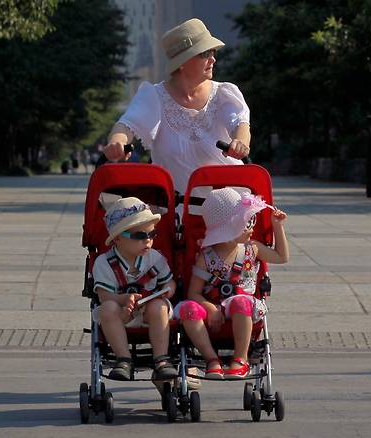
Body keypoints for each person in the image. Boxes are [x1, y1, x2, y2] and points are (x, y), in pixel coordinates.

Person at [103, 18, 251, 195]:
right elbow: (125, 125)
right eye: (205, 53)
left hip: (232, 202)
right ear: (182, 62)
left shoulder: (224, 93)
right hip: (178, 209)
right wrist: (116, 142)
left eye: (213, 52)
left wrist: (240, 143)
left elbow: (240, 125)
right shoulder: (153, 96)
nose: (213, 59)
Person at [174, 187, 289, 379]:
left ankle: (240, 359)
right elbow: (194, 293)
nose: (252, 227)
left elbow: (281, 256)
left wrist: (277, 226)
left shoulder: (252, 248)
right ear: (229, 228)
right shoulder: (206, 256)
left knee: (240, 301)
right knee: (189, 309)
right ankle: (211, 359)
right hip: (213, 307)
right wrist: (210, 308)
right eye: (247, 223)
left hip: (242, 306)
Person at [92, 196, 178, 381]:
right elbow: (104, 295)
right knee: (107, 309)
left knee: (160, 306)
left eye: (152, 234)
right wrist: (123, 300)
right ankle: (123, 359)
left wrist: (167, 291)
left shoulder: (155, 258)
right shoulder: (104, 263)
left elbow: (169, 282)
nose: (147, 240)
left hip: (150, 314)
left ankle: (161, 358)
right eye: (139, 236)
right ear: (117, 239)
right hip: (121, 315)